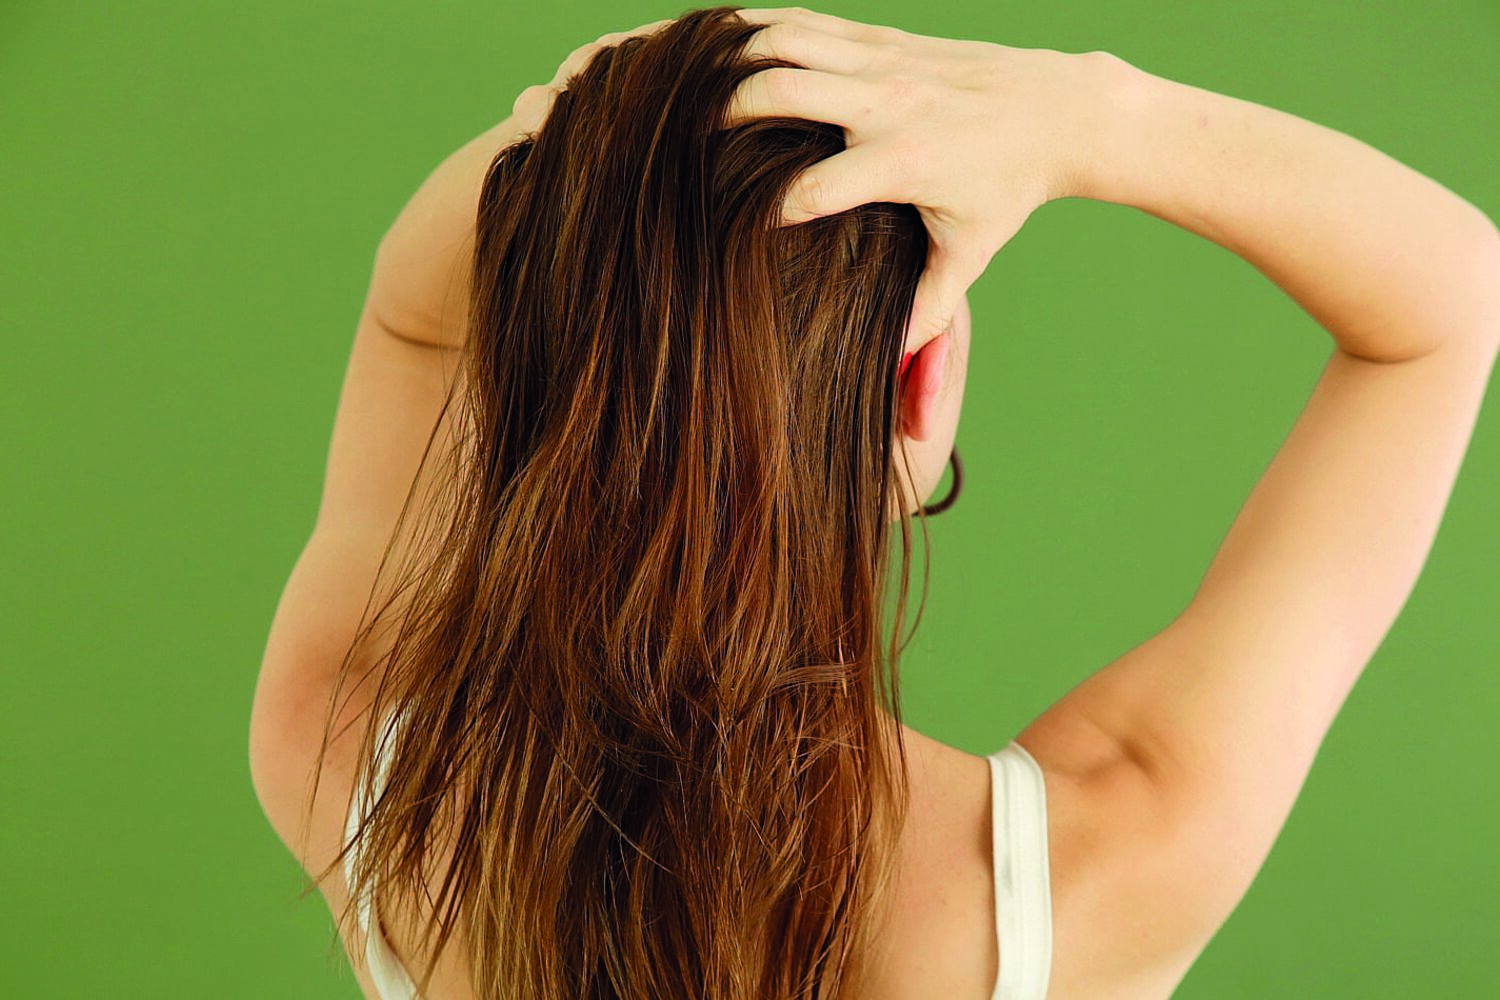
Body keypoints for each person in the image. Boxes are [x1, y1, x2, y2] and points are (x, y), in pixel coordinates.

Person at [248, 5, 1500, 999]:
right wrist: (1091, 111)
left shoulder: (358, 773)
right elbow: (1450, 302)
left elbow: (413, 319)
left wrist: (588, 137)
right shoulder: (1092, 869)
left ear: (529, 369)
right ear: (921, 382)